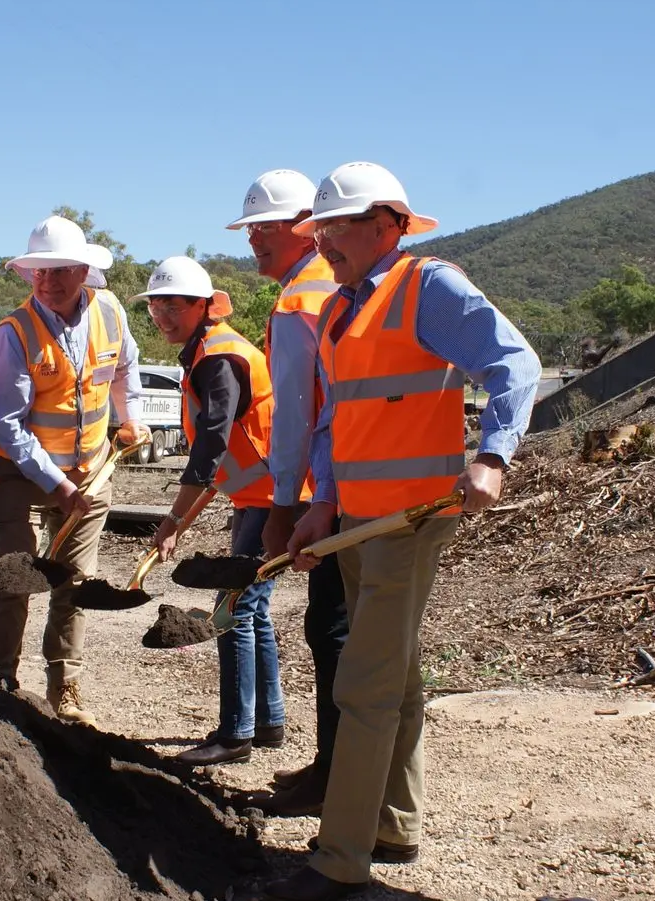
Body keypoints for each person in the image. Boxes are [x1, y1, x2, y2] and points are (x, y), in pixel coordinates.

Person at [267, 162, 541, 901]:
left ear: (388, 224)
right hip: (359, 521)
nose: (324, 242)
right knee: (396, 672)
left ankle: (339, 859)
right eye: (317, 230)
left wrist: (492, 455)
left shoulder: (429, 286)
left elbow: (516, 362)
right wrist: (321, 504)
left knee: (364, 683)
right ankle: (392, 821)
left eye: (338, 227)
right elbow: (337, 420)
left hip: (410, 521)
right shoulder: (340, 310)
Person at [0, 215, 149, 726]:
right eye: (38, 274)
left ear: (83, 271)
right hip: (22, 476)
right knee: (15, 576)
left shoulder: (111, 313)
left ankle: (64, 685)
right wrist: (58, 485)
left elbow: (123, 369)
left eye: (58, 272)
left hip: (92, 472)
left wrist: (131, 419)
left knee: (75, 581)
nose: (48, 283)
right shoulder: (12, 335)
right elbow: (9, 426)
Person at [228, 170, 346, 813]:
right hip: (339, 479)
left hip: (328, 487)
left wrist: (284, 506)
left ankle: (336, 780)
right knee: (331, 627)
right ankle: (330, 768)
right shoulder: (323, 286)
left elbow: (299, 412)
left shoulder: (304, 299)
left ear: (306, 226)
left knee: (333, 630)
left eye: (264, 228)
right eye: (251, 230)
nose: (254, 241)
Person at [136, 255, 284, 765]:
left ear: (203, 305)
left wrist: (173, 519)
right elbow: (224, 458)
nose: (163, 313)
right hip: (258, 496)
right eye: (156, 304)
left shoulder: (219, 359)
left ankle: (235, 735)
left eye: (175, 304)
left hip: (273, 499)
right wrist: (181, 522)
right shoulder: (205, 351)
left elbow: (211, 447)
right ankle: (268, 722)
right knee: (252, 609)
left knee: (232, 611)